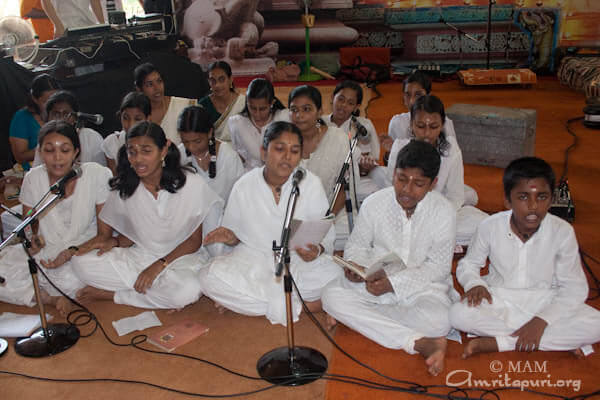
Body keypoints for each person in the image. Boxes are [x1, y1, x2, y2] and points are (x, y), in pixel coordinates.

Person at [321, 140, 457, 377]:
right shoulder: (375, 203)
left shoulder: (444, 212)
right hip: (372, 282)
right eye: (401, 179)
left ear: (433, 184)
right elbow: (357, 246)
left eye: (418, 184)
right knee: (331, 296)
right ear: (393, 173)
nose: (406, 190)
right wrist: (356, 267)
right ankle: (419, 342)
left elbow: (438, 268)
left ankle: (364, 319)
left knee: (440, 320)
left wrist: (395, 285)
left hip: (422, 289)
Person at [449, 157, 600, 358]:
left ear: (552, 199)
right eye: (523, 197)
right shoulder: (490, 226)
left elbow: (574, 288)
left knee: (596, 324)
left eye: (542, 197)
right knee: (458, 315)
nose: (533, 206)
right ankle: (556, 341)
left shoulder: (562, 231)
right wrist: (474, 284)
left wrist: (541, 320)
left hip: (546, 299)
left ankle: (502, 342)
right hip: (500, 297)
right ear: (507, 200)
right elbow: (469, 264)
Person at [199, 121, 341, 325]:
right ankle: (309, 306)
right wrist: (230, 237)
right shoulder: (244, 185)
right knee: (208, 276)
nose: (287, 157)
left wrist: (316, 250)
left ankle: (262, 303)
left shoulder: (310, 183)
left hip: (298, 261)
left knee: (336, 275)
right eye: (279, 149)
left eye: (294, 151)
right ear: (264, 152)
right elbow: (235, 237)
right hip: (255, 258)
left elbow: (324, 235)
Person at [71, 122, 222, 310]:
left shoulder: (190, 184)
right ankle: (153, 290)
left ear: (164, 150)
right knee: (80, 263)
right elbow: (133, 235)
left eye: (146, 151)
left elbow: (193, 241)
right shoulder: (125, 187)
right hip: (141, 256)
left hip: (181, 259)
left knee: (187, 291)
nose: (138, 159)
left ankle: (116, 295)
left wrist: (158, 266)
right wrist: (115, 243)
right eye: (132, 152)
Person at [0, 120, 112, 315]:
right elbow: (29, 224)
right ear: (40, 152)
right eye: (49, 150)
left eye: (65, 150)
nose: (57, 157)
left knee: (74, 279)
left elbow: (105, 235)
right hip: (45, 251)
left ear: (76, 152)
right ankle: (48, 298)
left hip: (82, 251)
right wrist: (32, 241)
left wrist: (70, 252)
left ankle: (40, 292)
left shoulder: (96, 174)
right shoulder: (33, 178)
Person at [383, 95, 486, 247]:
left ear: (442, 125)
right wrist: (408, 214)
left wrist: (435, 217)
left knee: (483, 224)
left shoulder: (451, 151)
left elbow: (455, 197)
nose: (426, 133)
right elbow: (390, 190)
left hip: (439, 210)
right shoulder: (399, 147)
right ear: (411, 124)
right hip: (404, 209)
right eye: (420, 126)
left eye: (433, 127)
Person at [288, 85, 360, 252]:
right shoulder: (284, 141)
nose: (299, 116)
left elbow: (345, 188)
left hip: (334, 215)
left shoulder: (338, 139)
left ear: (319, 111)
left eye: (306, 109)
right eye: (294, 109)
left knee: (354, 232)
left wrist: (326, 222)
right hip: (295, 215)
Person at [324, 80, 381, 202]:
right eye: (341, 99)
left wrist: (365, 166)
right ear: (332, 97)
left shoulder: (363, 125)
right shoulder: (320, 123)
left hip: (354, 179)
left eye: (350, 103)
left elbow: (371, 158)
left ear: (356, 107)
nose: (343, 105)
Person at [383, 71, 456, 160]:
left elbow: (451, 157)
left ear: (428, 96)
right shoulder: (397, 122)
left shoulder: (445, 123)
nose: (412, 101)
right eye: (407, 95)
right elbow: (392, 162)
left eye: (418, 95)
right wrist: (389, 153)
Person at [178, 105, 244, 203]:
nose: (191, 147)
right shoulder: (179, 155)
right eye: (186, 142)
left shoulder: (228, 156)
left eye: (197, 141)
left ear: (209, 132)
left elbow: (240, 195)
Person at [32, 90, 106, 167]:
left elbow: (101, 172)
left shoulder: (92, 137)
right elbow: (37, 170)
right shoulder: (46, 140)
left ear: (76, 117)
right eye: (56, 114)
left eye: (66, 114)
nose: (61, 118)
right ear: (48, 117)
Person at [228, 78, 288, 171]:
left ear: (272, 103)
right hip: (250, 176)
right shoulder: (237, 123)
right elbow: (239, 156)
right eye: (252, 108)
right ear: (247, 102)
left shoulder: (284, 118)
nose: (257, 114)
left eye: (263, 109)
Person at [134, 62, 197, 146]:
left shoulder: (186, 106)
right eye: (150, 84)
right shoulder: (136, 115)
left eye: (159, 81)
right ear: (139, 89)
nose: (157, 88)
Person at [9, 74, 60, 171]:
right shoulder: (22, 118)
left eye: (56, 101)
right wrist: (51, 148)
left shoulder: (63, 113)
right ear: (34, 99)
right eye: (46, 102)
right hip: (33, 170)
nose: (52, 106)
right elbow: (20, 157)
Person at [102, 92, 151, 175]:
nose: (131, 124)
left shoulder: (155, 142)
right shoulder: (111, 143)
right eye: (126, 118)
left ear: (148, 119)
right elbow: (114, 179)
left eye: (137, 119)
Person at [198, 61, 246, 142]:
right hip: (214, 151)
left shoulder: (243, 103)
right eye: (213, 80)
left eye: (222, 80)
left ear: (230, 79)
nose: (217, 85)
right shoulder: (203, 105)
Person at [41, 0, 105, 38]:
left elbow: (95, 1)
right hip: (65, 25)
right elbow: (45, 1)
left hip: (89, 24)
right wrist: (58, 26)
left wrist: (103, 25)